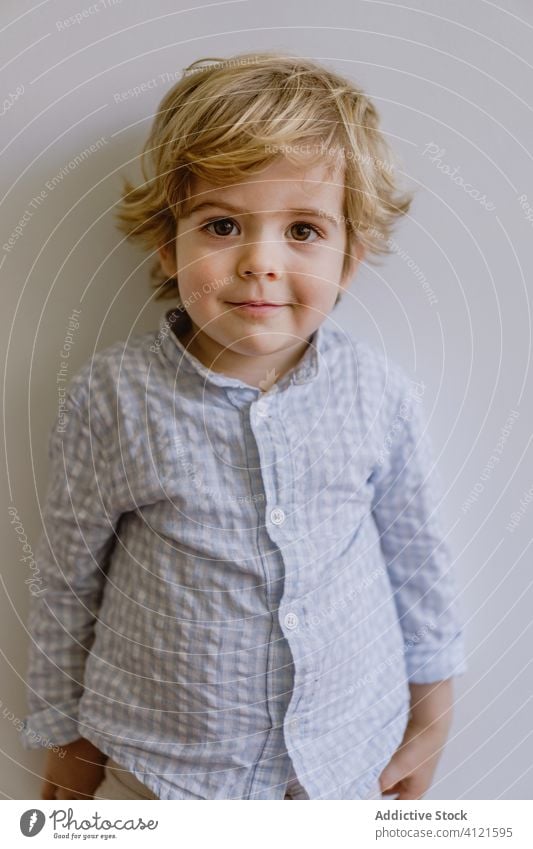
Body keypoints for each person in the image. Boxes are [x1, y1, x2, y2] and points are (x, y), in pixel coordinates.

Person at [20, 52, 466, 801]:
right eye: (223, 224)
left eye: (302, 229)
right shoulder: (114, 395)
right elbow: (68, 580)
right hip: (159, 766)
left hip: (338, 760)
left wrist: (432, 715)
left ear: (349, 258)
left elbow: (418, 561)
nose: (259, 262)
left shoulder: (378, 394)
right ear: (169, 243)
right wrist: (64, 736)